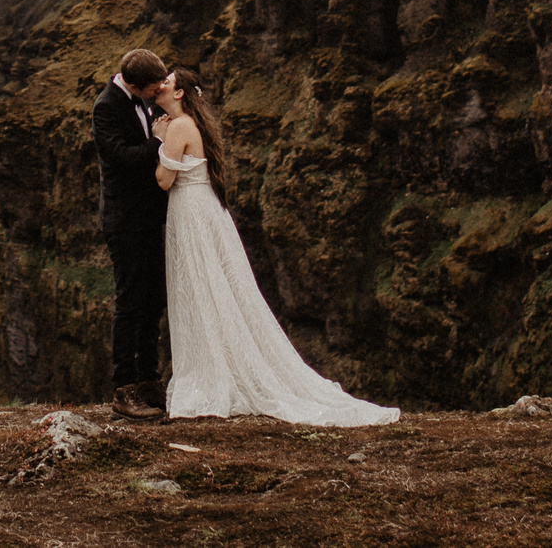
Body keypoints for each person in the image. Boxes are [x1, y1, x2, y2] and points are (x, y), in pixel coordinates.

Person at [153, 66, 400, 425]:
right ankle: (220, 365)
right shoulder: (193, 123)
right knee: (209, 287)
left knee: (200, 287)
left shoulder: (177, 126)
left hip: (192, 214)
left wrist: (159, 140)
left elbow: (164, 180)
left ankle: (213, 374)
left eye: (167, 82)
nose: (160, 86)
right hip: (201, 211)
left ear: (179, 93)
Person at [92, 47, 172, 420]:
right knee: (129, 303)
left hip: (152, 218)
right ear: (133, 85)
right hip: (124, 222)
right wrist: (157, 143)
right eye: (152, 90)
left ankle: (149, 380)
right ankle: (124, 390)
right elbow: (123, 160)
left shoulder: (146, 101)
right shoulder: (106, 107)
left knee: (154, 300)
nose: (157, 95)